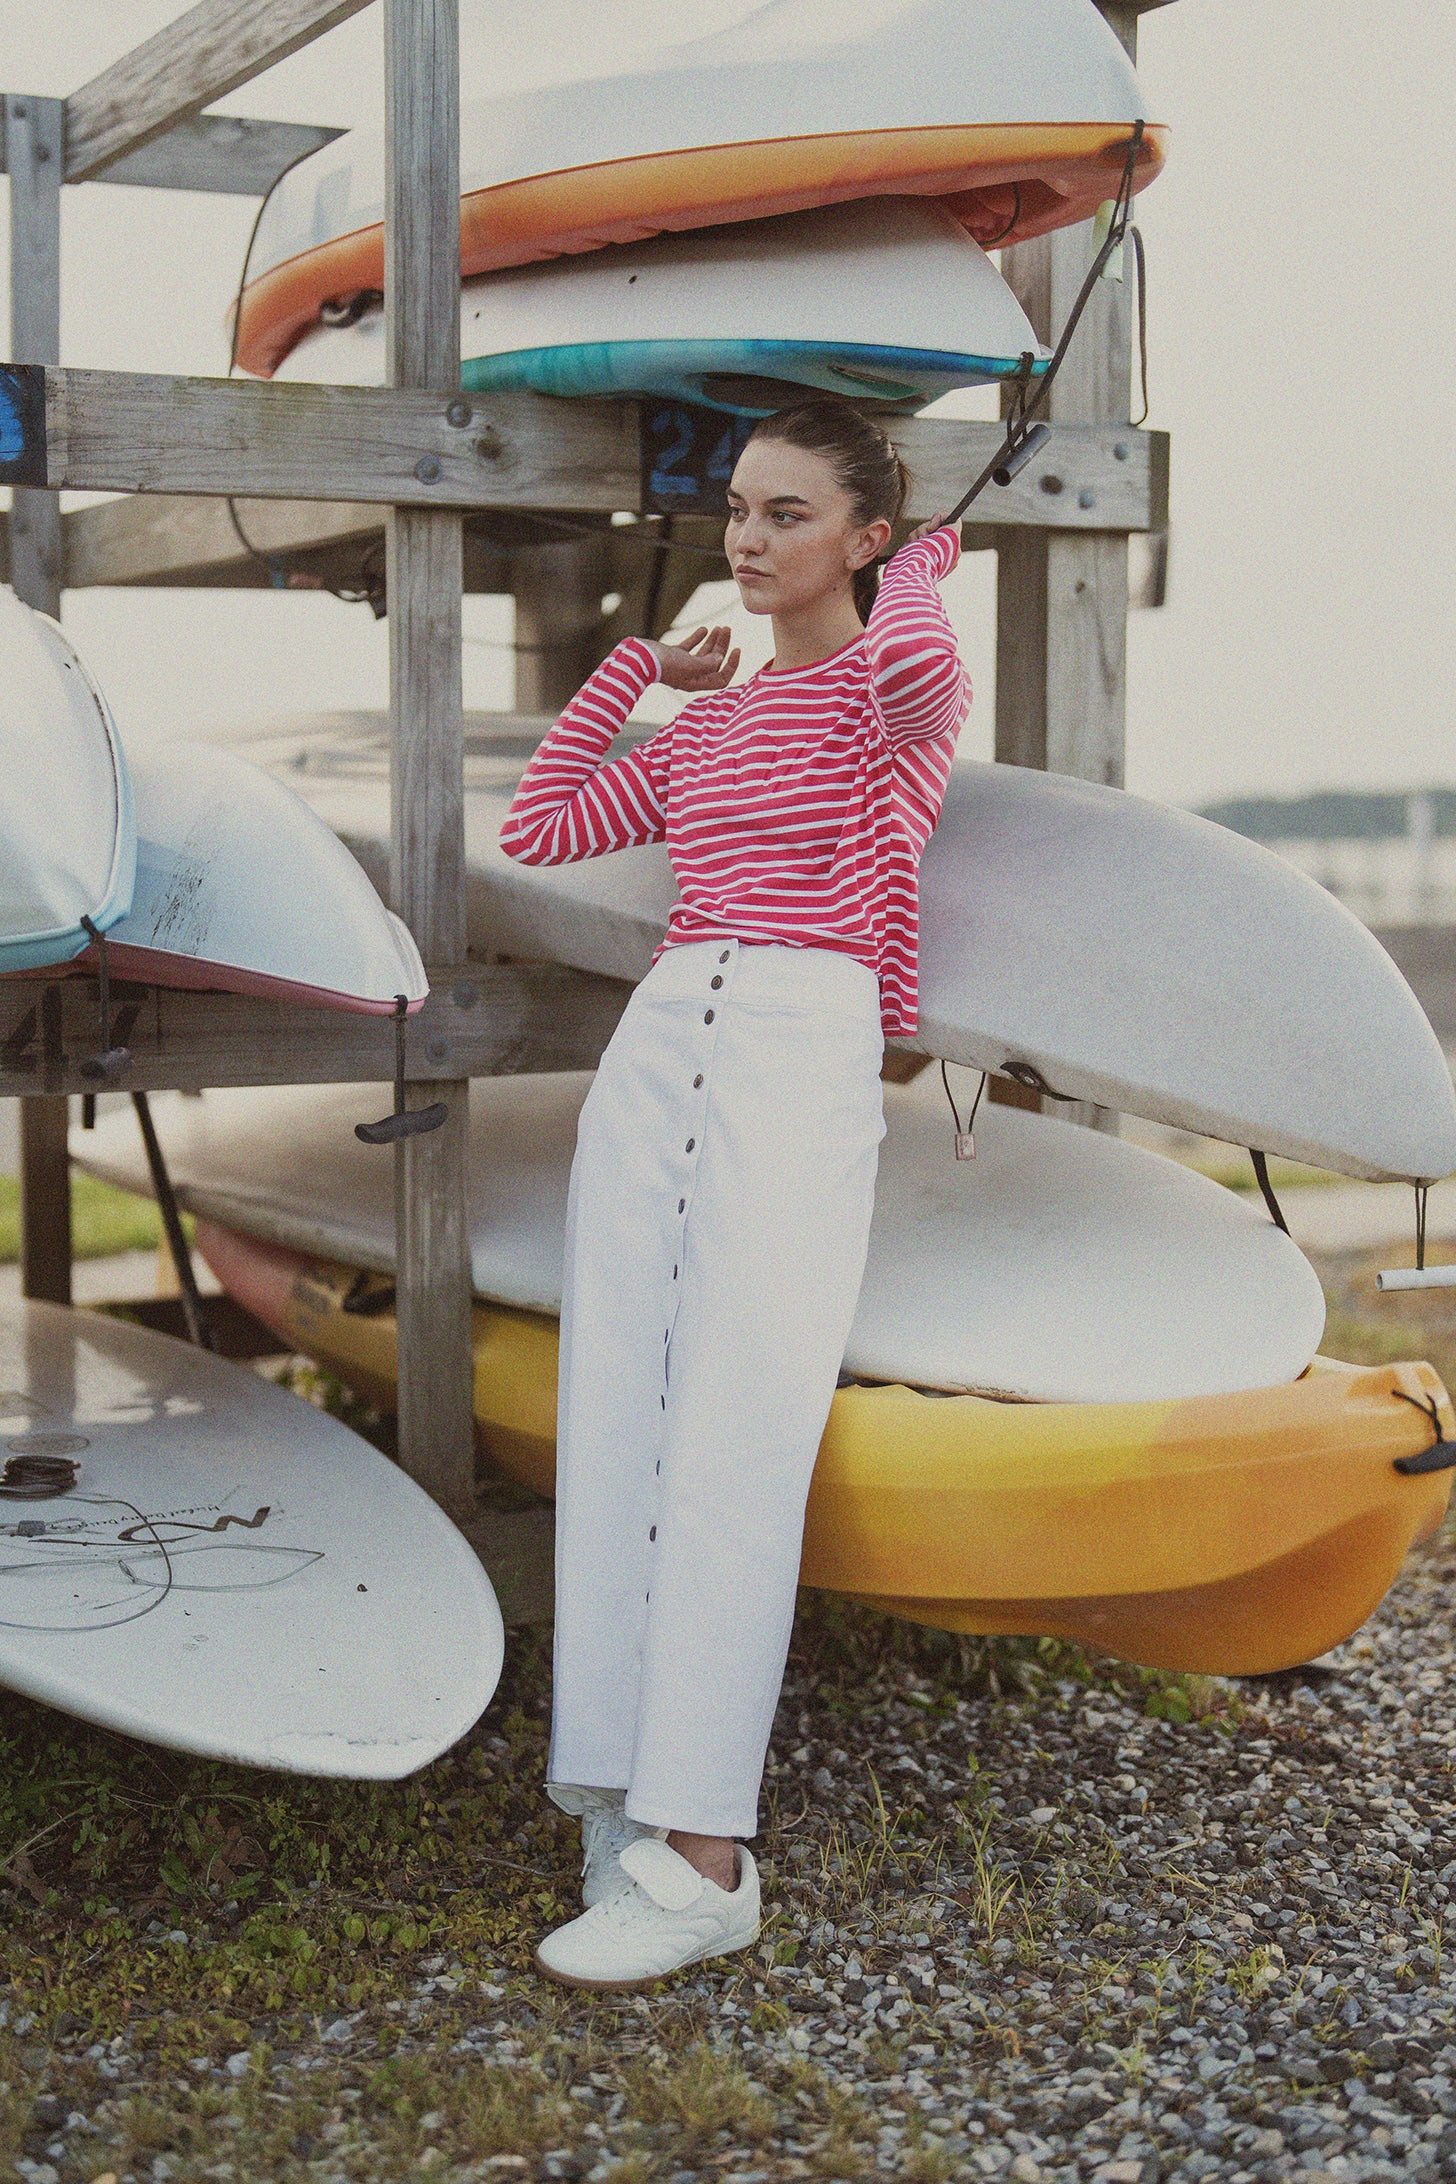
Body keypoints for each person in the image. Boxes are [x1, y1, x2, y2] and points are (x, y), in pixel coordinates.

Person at [499, 396, 971, 1990]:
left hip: (796, 1036)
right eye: (741, 513)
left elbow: (907, 673)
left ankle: (708, 1857)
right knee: (619, 1404)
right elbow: (543, 824)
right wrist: (640, 675)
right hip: (664, 1039)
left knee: (737, 1432)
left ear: (866, 534)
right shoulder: (705, 727)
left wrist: (923, 573)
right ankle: (622, 1800)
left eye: (787, 513)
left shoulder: (898, 687)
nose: (750, 541)